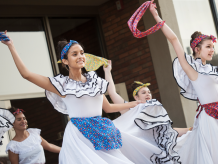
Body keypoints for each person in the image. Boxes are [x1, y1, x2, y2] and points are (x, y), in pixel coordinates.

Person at [1, 32, 143, 164]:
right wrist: (11, 46)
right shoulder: (62, 85)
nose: (80, 56)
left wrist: (134, 104)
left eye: (82, 53)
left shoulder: (94, 81)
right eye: (74, 54)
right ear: (65, 61)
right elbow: (26, 74)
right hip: (79, 135)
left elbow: (108, 108)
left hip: (103, 131)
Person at [149, 0, 218, 163]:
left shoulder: (214, 71)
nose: (212, 50)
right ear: (197, 49)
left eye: (212, 47)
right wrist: (156, 16)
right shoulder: (192, 70)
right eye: (208, 47)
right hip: (210, 120)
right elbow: (174, 39)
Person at [104, 61, 184, 164]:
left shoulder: (155, 112)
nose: (148, 94)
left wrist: (189, 129)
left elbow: (168, 132)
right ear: (136, 97)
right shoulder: (130, 110)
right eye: (143, 92)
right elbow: (112, 92)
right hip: (139, 154)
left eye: (149, 92)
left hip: (155, 153)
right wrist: (107, 71)